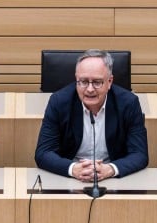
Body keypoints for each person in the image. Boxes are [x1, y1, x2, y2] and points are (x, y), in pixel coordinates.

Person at [34, 49, 148, 181]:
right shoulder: (59, 102)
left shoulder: (128, 103)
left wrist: (110, 169)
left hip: (111, 179)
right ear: (76, 79)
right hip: (69, 179)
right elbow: (43, 153)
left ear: (109, 82)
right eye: (83, 81)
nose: (89, 89)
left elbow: (140, 154)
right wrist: (73, 168)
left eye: (97, 82)